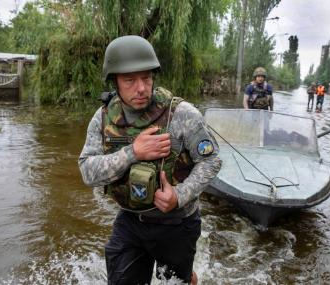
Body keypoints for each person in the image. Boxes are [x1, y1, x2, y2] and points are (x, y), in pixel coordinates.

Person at [78, 35, 222, 285]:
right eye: (129, 80)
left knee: (176, 281)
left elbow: (211, 161)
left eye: (146, 77)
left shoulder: (183, 115)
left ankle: (188, 277)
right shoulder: (103, 118)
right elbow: (88, 172)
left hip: (177, 224)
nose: (141, 88)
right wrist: (133, 152)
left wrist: (180, 195)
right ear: (115, 82)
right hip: (130, 221)